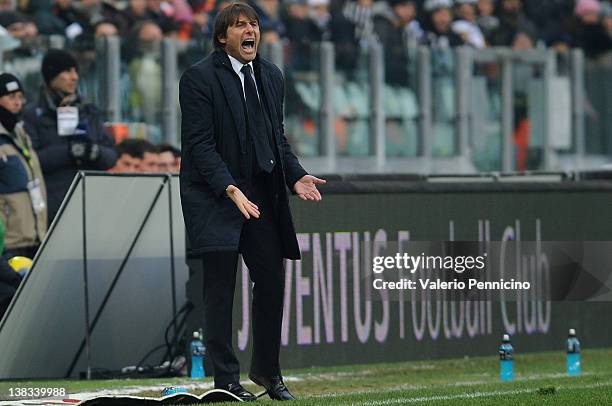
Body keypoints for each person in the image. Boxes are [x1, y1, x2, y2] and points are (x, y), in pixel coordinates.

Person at [179, 2, 325, 401]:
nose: (250, 31)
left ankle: (266, 371)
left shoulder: (271, 75)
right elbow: (200, 146)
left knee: (272, 280)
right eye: (240, 25)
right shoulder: (198, 78)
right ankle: (226, 379)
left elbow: (275, 137)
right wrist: (229, 188)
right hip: (216, 195)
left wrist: (295, 175)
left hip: (260, 193)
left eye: (254, 24)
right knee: (220, 288)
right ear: (222, 35)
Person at [22, 49, 117, 225]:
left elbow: (111, 156)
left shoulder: (89, 111)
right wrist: (68, 152)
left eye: (75, 71)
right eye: (67, 71)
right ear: (51, 77)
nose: (74, 77)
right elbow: (31, 162)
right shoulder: (32, 115)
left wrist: (94, 152)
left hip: (91, 205)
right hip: (53, 209)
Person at [0, 73, 47, 260]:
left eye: (20, 97)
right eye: (11, 97)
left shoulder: (20, 134)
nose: (17, 103)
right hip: (9, 242)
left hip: (35, 237)